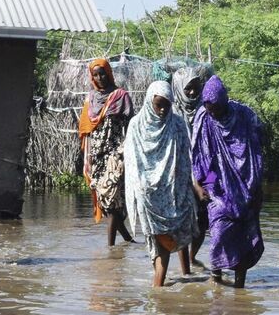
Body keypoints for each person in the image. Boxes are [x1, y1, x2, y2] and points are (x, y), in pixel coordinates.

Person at [191, 75, 266, 288]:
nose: (212, 112)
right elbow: (199, 155)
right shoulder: (203, 118)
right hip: (216, 183)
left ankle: (239, 286)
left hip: (246, 183)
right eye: (208, 107)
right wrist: (201, 184)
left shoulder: (244, 116)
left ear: (224, 101)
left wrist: (256, 185)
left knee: (243, 237)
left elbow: (259, 143)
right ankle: (216, 278)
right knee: (218, 233)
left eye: (215, 107)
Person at [123, 81, 200, 288]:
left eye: (167, 104)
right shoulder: (136, 125)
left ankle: (170, 285)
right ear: (150, 101)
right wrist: (140, 189)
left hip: (173, 191)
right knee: (160, 245)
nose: (163, 109)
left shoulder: (176, 124)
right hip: (148, 195)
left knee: (178, 236)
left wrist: (190, 187)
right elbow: (131, 162)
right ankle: (158, 292)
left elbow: (186, 159)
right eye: (159, 104)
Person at [79, 58, 136, 247]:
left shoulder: (120, 96)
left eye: (102, 73)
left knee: (111, 200)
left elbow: (131, 125)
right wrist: (87, 159)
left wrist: (127, 151)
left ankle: (111, 250)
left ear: (108, 73)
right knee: (106, 203)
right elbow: (85, 128)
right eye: (95, 74)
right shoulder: (91, 98)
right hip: (96, 156)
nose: (99, 77)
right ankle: (127, 240)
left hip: (115, 153)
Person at [172, 63, 214, 260]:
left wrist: (209, 180)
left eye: (195, 88)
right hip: (179, 175)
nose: (191, 92)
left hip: (207, 173)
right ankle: (185, 269)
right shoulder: (171, 114)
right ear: (179, 88)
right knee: (184, 220)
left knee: (205, 219)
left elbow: (214, 149)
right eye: (187, 88)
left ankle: (192, 257)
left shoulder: (206, 112)